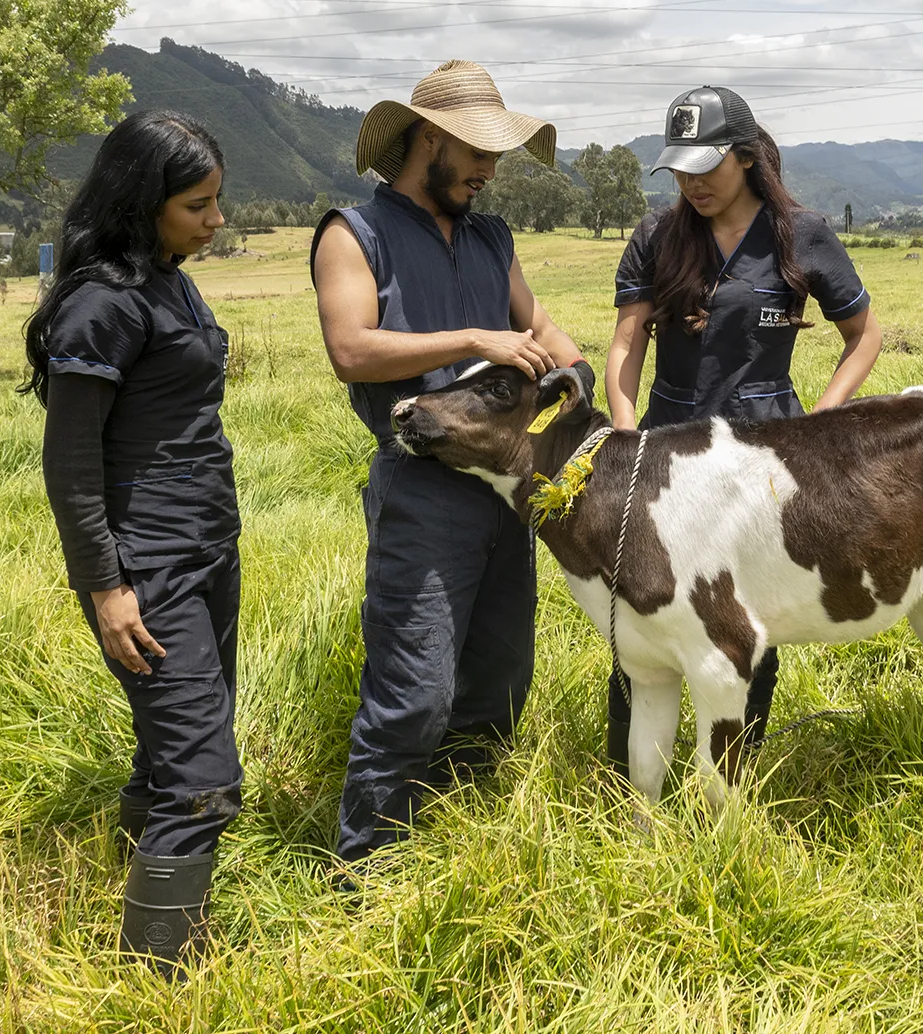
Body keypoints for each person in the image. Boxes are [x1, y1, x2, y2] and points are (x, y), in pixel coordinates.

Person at [311, 60, 588, 866]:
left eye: (498, 156)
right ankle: (367, 872)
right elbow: (352, 348)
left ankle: (460, 843)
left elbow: (547, 332)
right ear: (427, 138)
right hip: (424, 489)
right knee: (414, 694)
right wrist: (475, 339)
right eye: (477, 153)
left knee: (499, 683)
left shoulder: (490, 238)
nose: (490, 172)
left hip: (509, 491)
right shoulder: (352, 234)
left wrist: (569, 370)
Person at [604, 85, 882, 769]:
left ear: (747, 157)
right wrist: (623, 433)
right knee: (646, 616)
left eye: (708, 168)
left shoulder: (802, 234)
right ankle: (630, 774)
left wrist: (822, 421)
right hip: (669, 460)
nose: (691, 184)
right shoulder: (657, 237)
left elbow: (865, 335)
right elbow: (626, 343)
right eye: (680, 171)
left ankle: (732, 770)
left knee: (748, 624)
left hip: (765, 461)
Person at [23, 110, 241, 974]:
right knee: (202, 777)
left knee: (169, 754)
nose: (215, 221)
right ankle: (161, 976)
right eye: (198, 205)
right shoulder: (101, 304)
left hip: (208, 550)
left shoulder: (170, 280)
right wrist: (107, 588)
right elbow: (71, 463)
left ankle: (132, 916)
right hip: (146, 570)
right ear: (142, 200)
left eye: (218, 201)